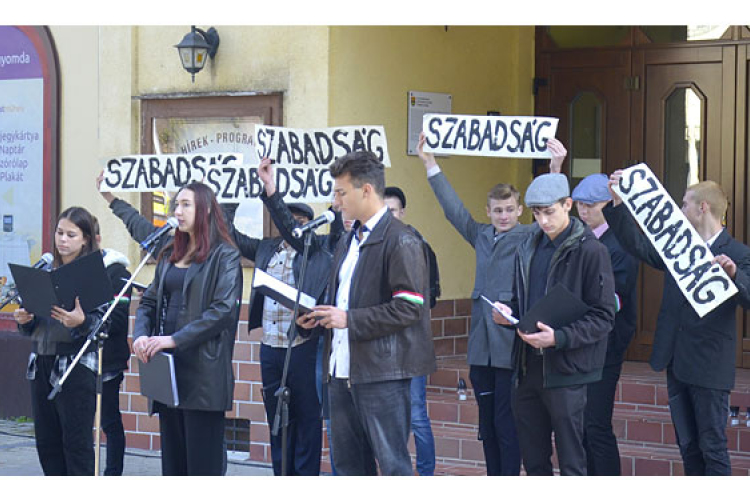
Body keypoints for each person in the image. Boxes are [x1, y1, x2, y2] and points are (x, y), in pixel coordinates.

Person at [415, 132, 566, 475]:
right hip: (480, 349)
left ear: (520, 210)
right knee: (487, 427)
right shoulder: (481, 235)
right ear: (488, 211)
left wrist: (555, 169)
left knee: (507, 424)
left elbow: (553, 217)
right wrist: (430, 163)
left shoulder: (530, 235)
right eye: (497, 210)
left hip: (509, 350)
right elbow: (453, 210)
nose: (503, 216)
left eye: (510, 210)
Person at [297, 150, 436, 476]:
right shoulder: (348, 240)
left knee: (393, 468)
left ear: (367, 191)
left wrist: (349, 320)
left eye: (341, 192)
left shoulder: (401, 240)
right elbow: (345, 299)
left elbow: (410, 307)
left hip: (382, 374)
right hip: (340, 370)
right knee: (349, 469)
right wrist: (317, 318)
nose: (336, 202)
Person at [604, 175, 750, 475]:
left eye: (684, 204)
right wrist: (618, 205)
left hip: (710, 366)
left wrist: (735, 275)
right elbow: (639, 246)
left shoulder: (738, 253)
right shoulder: (679, 245)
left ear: (702, 207)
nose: (680, 210)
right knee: (688, 446)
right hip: (675, 359)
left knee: (712, 446)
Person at [492, 173, 616, 476]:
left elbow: (603, 316)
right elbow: (523, 302)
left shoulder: (591, 250)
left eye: (549, 212)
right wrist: (508, 314)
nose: (543, 221)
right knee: (534, 462)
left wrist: (559, 337)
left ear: (568, 205)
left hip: (567, 371)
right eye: (537, 213)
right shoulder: (527, 246)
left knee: (572, 463)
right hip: (527, 368)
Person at [132, 182, 243, 475]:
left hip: (203, 372)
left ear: (204, 210)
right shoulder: (170, 252)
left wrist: (174, 339)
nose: (177, 212)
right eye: (176, 205)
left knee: (202, 466)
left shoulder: (225, 255)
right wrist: (140, 335)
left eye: (185, 205)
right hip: (167, 368)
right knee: (173, 464)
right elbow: (149, 301)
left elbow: (222, 312)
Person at [14, 206, 130, 475]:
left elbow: (106, 324)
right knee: (47, 444)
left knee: (76, 445)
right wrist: (25, 320)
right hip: (41, 361)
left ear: (86, 239)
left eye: (71, 235)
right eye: (59, 233)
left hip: (75, 366)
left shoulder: (94, 273)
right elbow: (32, 324)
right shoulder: (44, 267)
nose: (63, 240)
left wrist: (82, 321)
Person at [571, 174, 638, 475]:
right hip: (579, 341)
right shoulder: (579, 238)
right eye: (580, 205)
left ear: (609, 203)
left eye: (591, 205)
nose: (584, 211)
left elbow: (617, 296)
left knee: (596, 424)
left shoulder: (620, 241)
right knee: (580, 424)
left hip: (607, 344)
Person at [383, 185, 438, 476]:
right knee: (392, 418)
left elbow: (427, 301)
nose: (388, 216)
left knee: (417, 415)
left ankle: (425, 475)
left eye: (392, 211)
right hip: (384, 349)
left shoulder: (417, 245)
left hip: (413, 346)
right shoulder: (375, 246)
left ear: (402, 212)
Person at [92, 217, 133, 476]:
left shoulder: (117, 272)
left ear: (96, 239)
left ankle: (112, 475)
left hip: (107, 360)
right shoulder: (70, 270)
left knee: (109, 421)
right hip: (76, 359)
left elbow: (117, 320)